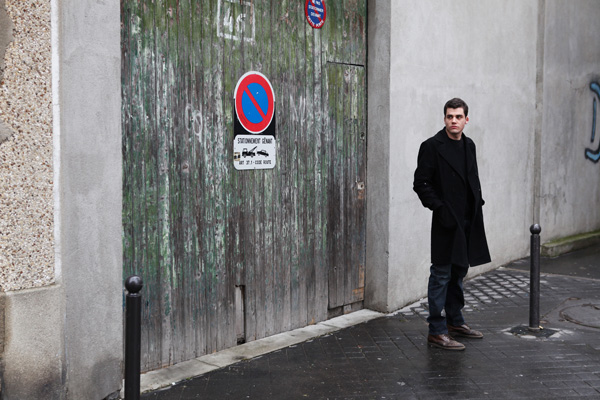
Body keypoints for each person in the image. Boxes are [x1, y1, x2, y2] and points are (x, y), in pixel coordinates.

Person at [413, 98, 491, 350]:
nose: (454, 121)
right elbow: (421, 183)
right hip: (446, 221)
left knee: (459, 271)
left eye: (458, 117)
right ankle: (436, 331)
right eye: (449, 116)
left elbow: (472, 178)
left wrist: (477, 201)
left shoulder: (469, 145)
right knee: (441, 274)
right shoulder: (432, 146)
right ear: (444, 119)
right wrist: (439, 208)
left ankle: (455, 322)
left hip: (468, 220)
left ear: (466, 119)